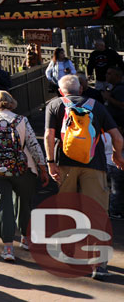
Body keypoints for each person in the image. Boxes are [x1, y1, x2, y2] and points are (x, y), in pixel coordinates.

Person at [44, 74, 124, 279]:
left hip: (65, 165)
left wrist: (51, 162)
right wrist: (117, 155)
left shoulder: (54, 105)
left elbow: (49, 136)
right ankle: (99, 264)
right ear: (81, 89)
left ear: (61, 91)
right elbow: (117, 136)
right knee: (97, 212)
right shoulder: (96, 105)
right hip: (94, 165)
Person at [0, 90, 48, 262]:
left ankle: (8, 248)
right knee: (24, 202)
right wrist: (42, 167)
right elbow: (32, 144)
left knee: (2, 205)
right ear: (12, 102)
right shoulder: (21, 120)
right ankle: (25, 238)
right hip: (22, 168)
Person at [103, 67, 124, 218]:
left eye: (109, 73)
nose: (106, 75)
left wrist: (109, 98)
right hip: (113, 134)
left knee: (117, 181)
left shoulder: (119, 90)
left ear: (117, 76)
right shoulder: (114, 88)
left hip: (118, 132)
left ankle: (115, 210)